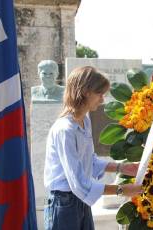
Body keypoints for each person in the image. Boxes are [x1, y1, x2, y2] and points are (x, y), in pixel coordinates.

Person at [43, 66, 143, 230]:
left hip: (80, 202)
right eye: (99, 94)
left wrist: (123, 167)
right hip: (64, 204)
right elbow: (79, 183)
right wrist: (122, 190)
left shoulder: (85, 121)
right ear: (85, 92)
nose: (102, 100)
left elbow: (89, 161)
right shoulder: (65, 130)